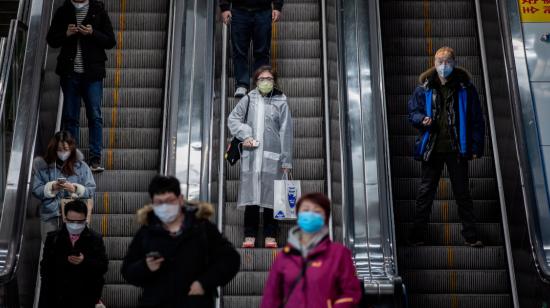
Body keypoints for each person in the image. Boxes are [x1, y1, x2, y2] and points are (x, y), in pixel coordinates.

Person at [121, 175, 240, 308]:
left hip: (194, 303)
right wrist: (145, 266)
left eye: (170, 201)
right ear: (153, 204)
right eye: (159, 202)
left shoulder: (200, 228)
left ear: (180, 200)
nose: (165, 207)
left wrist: (204, 283)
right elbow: (127, 270)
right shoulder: (147, 232)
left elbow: (230, 259)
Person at [407, 46, 485, 247]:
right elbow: (413, 112)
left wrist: (476, 146)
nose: (444, 66)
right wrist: (421, 119)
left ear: (454, 63)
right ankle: (417, 235)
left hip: (457, 149)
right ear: (434, 63)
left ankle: (471, 236)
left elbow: (477, 119)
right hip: (432, 148)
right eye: (440, 61)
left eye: (447, 61)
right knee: (425, 192)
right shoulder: (424, 88)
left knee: (462, 194)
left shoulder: (465, 88)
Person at [46, 0, 116, 172]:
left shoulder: (98, 10)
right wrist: (66, 34)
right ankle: (72, 159)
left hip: (92, 74)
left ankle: (94, 159)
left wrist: (93, 33)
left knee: (94, 115)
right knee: (70, 117)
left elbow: (110, 41)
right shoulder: (63, 11)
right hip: (70, 74)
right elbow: (51, 40)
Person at [227, 66, 293, 249]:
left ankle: (271, 235)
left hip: (273, 157)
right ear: (256, 81)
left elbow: (286, 131)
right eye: (262, 79)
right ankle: (250, 235)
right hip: (252, 156)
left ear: (274, 81)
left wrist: (286, 160)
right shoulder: (248, 99)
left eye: (269, 79)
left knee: (273, 196)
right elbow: (233, 119)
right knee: (251, 197)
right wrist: (246, 135)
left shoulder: (281, 101)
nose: (265, 82)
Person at [261, 193, 362, 307]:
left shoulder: (339, 254)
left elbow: (352, 291)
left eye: (317, 211)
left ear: (326, 218)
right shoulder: (284, 256)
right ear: (298, 215)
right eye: (306, 210)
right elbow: (271, 298)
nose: (310, 214)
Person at [39, 200, 108, 308]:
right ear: (65, 218)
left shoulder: (95, 238)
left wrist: (84, 261)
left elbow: (103, 266)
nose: (75, 225)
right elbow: (46, 269)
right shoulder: (53, 238)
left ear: (86, 219)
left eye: (80, 222)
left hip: (85, 297)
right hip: (58, 298)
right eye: (71, 221)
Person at [32, 131, 96, 239]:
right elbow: (36, 189)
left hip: (75, 216)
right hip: (50, 215)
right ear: (54, 149)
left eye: (66, 149)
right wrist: (51, 187)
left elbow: (91, 189)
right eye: (59, 150)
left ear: (71, 148)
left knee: (74, 250)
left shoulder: (81, 166)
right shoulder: (43, 166)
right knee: (51, 249)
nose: (63, 153)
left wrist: (75, 188)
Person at [220, 0, 283, 98]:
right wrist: (224, 7)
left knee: (262, 50)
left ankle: (260, 83)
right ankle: (242, 84)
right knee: (239, 49)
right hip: (239, 10)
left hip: (264, 10)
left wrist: (277, 6)